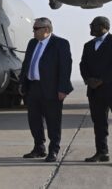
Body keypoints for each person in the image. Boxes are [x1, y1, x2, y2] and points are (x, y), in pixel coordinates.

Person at [20, 17, 73, 162]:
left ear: (47, 30)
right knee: (34, 120)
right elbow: (26, 64)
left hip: (52, 89)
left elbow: (65, 67)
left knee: (53, 121)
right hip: (33, 87)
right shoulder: (32, 43)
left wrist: (63, 89)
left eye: (36, 29)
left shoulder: (60, 43)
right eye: (34, 29)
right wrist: (21, 82)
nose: (33, 32)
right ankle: (39, 148)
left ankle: (53, 150)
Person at [80, 16, 112, 162]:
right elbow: (83, 65)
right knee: (99, 123)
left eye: (93, 25)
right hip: (94, 91)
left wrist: (102, 80)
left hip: (109, 87)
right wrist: (88, 79)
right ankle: (102, 152)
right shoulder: (88, 45)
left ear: (103, 26)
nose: (90, 28)